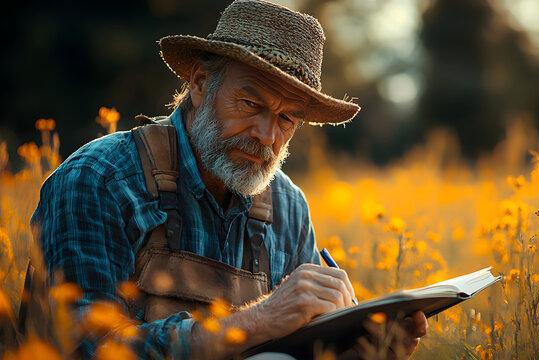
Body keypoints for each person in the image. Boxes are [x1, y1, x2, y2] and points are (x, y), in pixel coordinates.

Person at [30, 0, 428, 358]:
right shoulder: (100, 181)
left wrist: (368, 351)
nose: (267, 136)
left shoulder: (288, 208)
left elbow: (299, 350)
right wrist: (256, 321)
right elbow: (81, 348)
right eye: (251, 103)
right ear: (200, 83)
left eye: (287, 118)